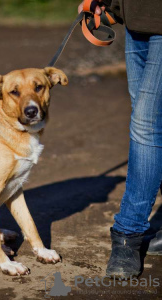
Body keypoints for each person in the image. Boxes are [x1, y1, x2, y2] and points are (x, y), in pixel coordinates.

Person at [78, 0, 162, 279]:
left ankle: (128, 232)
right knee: (151, 120)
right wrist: (111, 5)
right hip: (138, 21)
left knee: (145, 124)